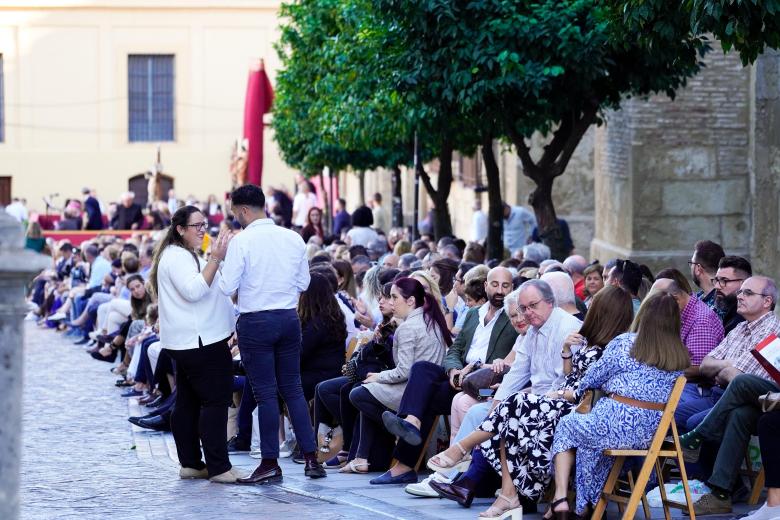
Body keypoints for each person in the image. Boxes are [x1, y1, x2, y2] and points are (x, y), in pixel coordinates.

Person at [429, 286, 632, 518]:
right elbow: (522, 372)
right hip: (554, 401)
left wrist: (555, 394)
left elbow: (586, 387)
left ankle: (464, 454)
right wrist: (499, 403)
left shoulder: (585, 333)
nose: (526, 314)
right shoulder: (571, 335)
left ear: (550, 302)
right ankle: (502, 491)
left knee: (513, 408)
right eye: (522, 308)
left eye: (531, 306)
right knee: (507, 409)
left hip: (572, 407)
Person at [218, 184, 326, 484]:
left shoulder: (242, 241)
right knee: (292, 389)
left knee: (265, 394)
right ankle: (311, 458)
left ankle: (269, 462)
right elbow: (304, 283)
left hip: (256, 321)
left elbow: (227, 287)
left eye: (234, 213)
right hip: (288, 318)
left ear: (242, 210)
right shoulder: (292, 237)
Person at [548, 292, 690, 518]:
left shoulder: (625, 343)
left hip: (613, 427)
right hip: (647, 435)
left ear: (643, 315)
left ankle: (562, 498)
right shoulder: (679, 356)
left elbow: (590, 380)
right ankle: (585, 506)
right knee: (589, 438)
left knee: (567, 425)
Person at [378, 267, 519, 485]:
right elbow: (454, 349)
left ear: (512, 288)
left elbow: (510, 363)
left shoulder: (514, 317)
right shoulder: (474, 314)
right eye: (495, 284)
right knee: (422, 369)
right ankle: (411, 422)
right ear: (485, 286)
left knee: (424, 397)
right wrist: (454, 370)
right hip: (460, 379)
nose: (500, 290)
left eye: (506, 285)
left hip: (486, 387)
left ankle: (407, 466)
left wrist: (473, 368)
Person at [150, 206, 240, 483]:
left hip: (194, 339)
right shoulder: (176, 256)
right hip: (200, 341)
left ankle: (191, 463)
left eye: (204, 225)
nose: (203, 230)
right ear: (180, 229)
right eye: (196, 226)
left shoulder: (183, 254)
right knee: (215, 401)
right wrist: (214, 258)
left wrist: (216, 261)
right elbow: (194, 291)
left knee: (188, 403)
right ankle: (219, 467)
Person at [679, 276, 780, 516]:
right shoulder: (739, 328)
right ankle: (721, 493)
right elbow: (705, 364)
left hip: (771, 396)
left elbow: (739, 378)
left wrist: (726, 370)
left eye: (747, 293)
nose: (740, 296)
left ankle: (699, 435)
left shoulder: (773, 329)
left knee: (741, 383)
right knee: (739, 413)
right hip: (738, 399)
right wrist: (726, 367)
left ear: (767, 301)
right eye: (741, 291)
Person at [345, 277, 451, 474]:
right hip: (426, 387)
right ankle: (365, 453)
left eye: (394, 297)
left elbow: (404, 371)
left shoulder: (408, 327)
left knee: (358, 393)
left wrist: (379, 376)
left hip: (413, 390)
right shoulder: (431, 320)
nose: (391, 302)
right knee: (361, 390)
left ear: (410, 301)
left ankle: (397, 426)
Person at [651, 270, 724, 374]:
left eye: (659, 304)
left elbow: (697, 369)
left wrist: (658, 374)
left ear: (676, 299)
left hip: (694, 386)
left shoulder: (701, 321)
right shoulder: (683, 311)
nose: (657, 309)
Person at [298, 272, 348, 401]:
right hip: (327, 373)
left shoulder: (318, 324)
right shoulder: (331, 316)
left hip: (320, 376)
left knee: (271, 385)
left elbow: (299, 354)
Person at [713, 255, 753, 334]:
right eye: (717, 280)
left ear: (744, 283)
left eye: (724, 281)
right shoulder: (730, 313)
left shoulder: (746, 319)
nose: (716, 286)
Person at [690, 240, 725, 313]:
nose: (691, 267)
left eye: (691, 263)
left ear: (698, 269)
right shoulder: (696, 298)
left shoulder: (720, 306)